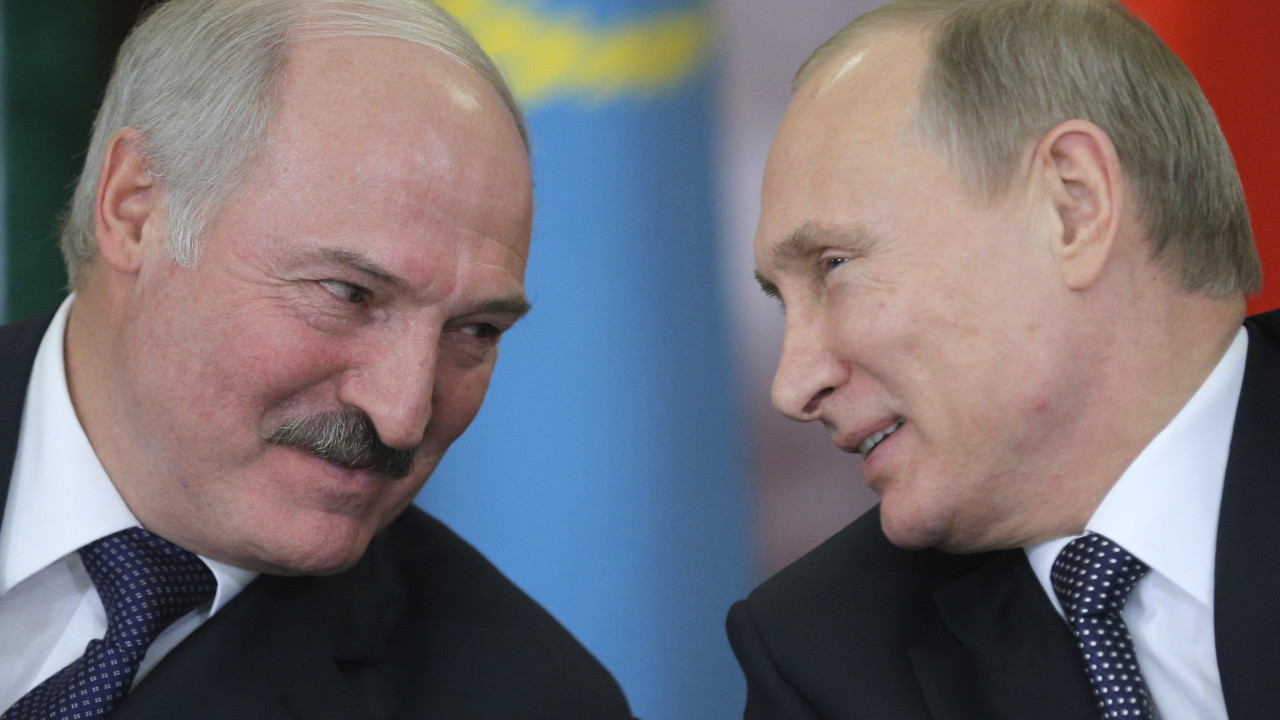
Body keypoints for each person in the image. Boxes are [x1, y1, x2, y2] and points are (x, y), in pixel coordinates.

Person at [0, 0, 633, 717]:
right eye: (349, 293)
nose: (401, 416)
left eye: (476, 331)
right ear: (135, 208)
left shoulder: (525, 701)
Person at [729, 0, 1273, 718]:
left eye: (834, 265)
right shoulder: (829, 655)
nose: (792, 385)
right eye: (781, 300)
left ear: (1072, 205)